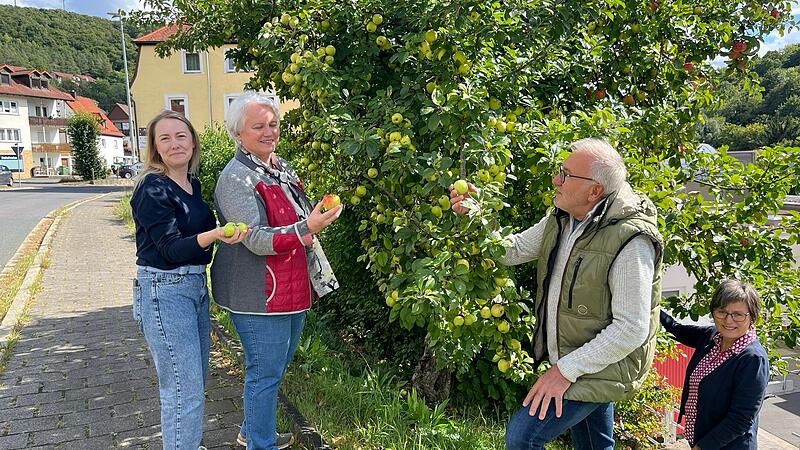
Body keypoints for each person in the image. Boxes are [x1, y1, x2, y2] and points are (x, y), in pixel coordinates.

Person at [451, 138, 663, 449]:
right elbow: (512, 250)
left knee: (523, 437)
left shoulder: (631, 242)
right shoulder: (563, 218)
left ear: (594, 191)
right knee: (593, 445)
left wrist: (563, 372)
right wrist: (474, 215)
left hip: (601, 362)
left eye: (565, 175)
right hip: (580, 356)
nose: (555, 180)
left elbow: (631, 328)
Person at [210, 91, 342, 450]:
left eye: (273, 124)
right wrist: (308, 228)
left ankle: (252, 431)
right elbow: (255, 238)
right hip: (257, 294)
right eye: (258, 126)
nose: (269, 132)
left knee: (274, 369)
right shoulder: (236, 178)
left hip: (290, 287)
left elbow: (297, 216)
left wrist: (314, 217)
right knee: (264, 373)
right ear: (238, 134)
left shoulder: (279, 167)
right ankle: (260, 444)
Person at [131, 110, 248, 450]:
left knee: (192, 383)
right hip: (164, 290)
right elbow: (169, 249)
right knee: (183, 391)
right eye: (164, 138)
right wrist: (215, 234)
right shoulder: (151, 188)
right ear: (154, 147)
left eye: (180, 136)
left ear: (193, 141)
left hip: (193, 287)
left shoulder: (191, 183)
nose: (174, 143)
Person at [661, 280, 769, 449]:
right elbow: (676, 328)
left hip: (727, 446)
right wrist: (649, 308)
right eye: (722, 312)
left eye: (738, 314)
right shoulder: (711, 337)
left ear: (752, 317)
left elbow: (741, 418)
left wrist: (703, 447)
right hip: (699, 438)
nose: (728, 320)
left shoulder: (752, 359)